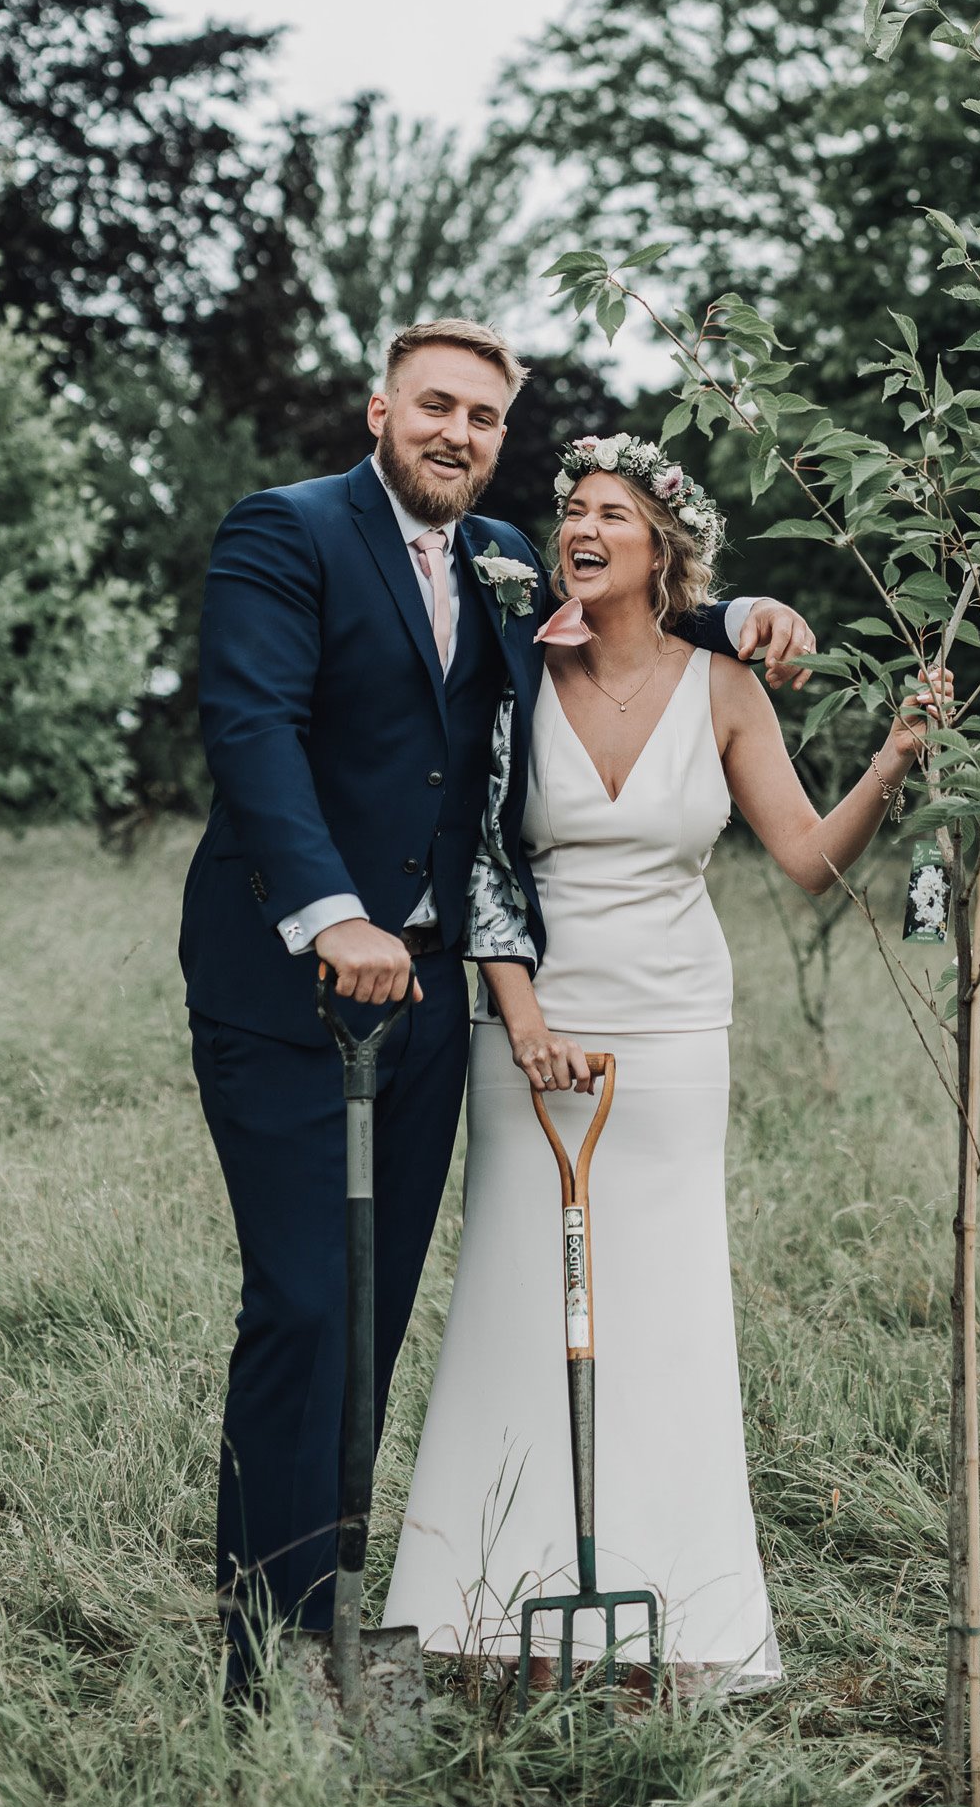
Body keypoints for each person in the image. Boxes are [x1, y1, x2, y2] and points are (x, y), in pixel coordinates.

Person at [180, 320, 817, 1693]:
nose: (458, 432)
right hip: (292, 989)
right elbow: (251, 732)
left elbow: (630, 617)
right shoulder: (283, 534)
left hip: (422, 1012)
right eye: (435, 406)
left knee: (372, 1318)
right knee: (301, 1307)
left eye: (483, 417)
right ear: (379, 410)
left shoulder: (497, 563)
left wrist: (744, 619)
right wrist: (330, 912)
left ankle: (339, 1632)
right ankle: (262, 1650)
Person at [383, 432, 949, 1689]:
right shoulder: (514, 671)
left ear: (664, 551)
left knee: (670, 1316)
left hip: (679, 1032)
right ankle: (487, 1609)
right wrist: (521, 1019)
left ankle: (680, 1621)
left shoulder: (723, 686)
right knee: (517, 1307)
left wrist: (897, 761)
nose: (581, 529)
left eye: (613, 516)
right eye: (572, 510)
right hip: (531, 1031)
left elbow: (806, 858)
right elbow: (482, 859)